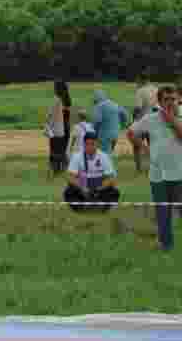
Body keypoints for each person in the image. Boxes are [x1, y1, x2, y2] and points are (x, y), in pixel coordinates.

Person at [128, 85, 182, 250]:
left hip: (180, 174)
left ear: (178, 99)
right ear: (159, 101)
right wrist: (145, 149)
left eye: (173, 99)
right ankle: (166, 244)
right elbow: (131, 133)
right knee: (162, 212)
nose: (171, 103)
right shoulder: (150, 119)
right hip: (158, 175)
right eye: (166, 99)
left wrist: (171, 120)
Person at [64, 132, 120, 213]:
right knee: (68, 192)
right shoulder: (77, 156)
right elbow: (70, 177)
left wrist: (99, 189)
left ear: (97, 144)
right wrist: (82, 188)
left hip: (99, 187)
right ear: (83, 144)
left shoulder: (104, 156)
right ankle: (81, 209)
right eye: (87, 144)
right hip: (82, 186)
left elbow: (111, 177)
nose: (90, 147)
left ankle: (102, 208)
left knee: (114, 192)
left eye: (92, 144)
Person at [44, 81, 72, 175]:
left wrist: (47, 124)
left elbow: (50, 115)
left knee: (54, 149)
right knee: (63, 150)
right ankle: (63, 169)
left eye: (55, 87)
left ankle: (55, 170)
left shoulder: (56, 100)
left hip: (57, 129)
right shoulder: (68, 100)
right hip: (66, 128)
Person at [91, 90, 129, 156]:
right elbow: (125, 115)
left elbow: (97, 121)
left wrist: (94, 132)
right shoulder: (114, 104)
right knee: (109, 152)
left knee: (104, 154)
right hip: (115, 133)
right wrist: (122, 124)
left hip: (104, 135)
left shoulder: (99, 106)